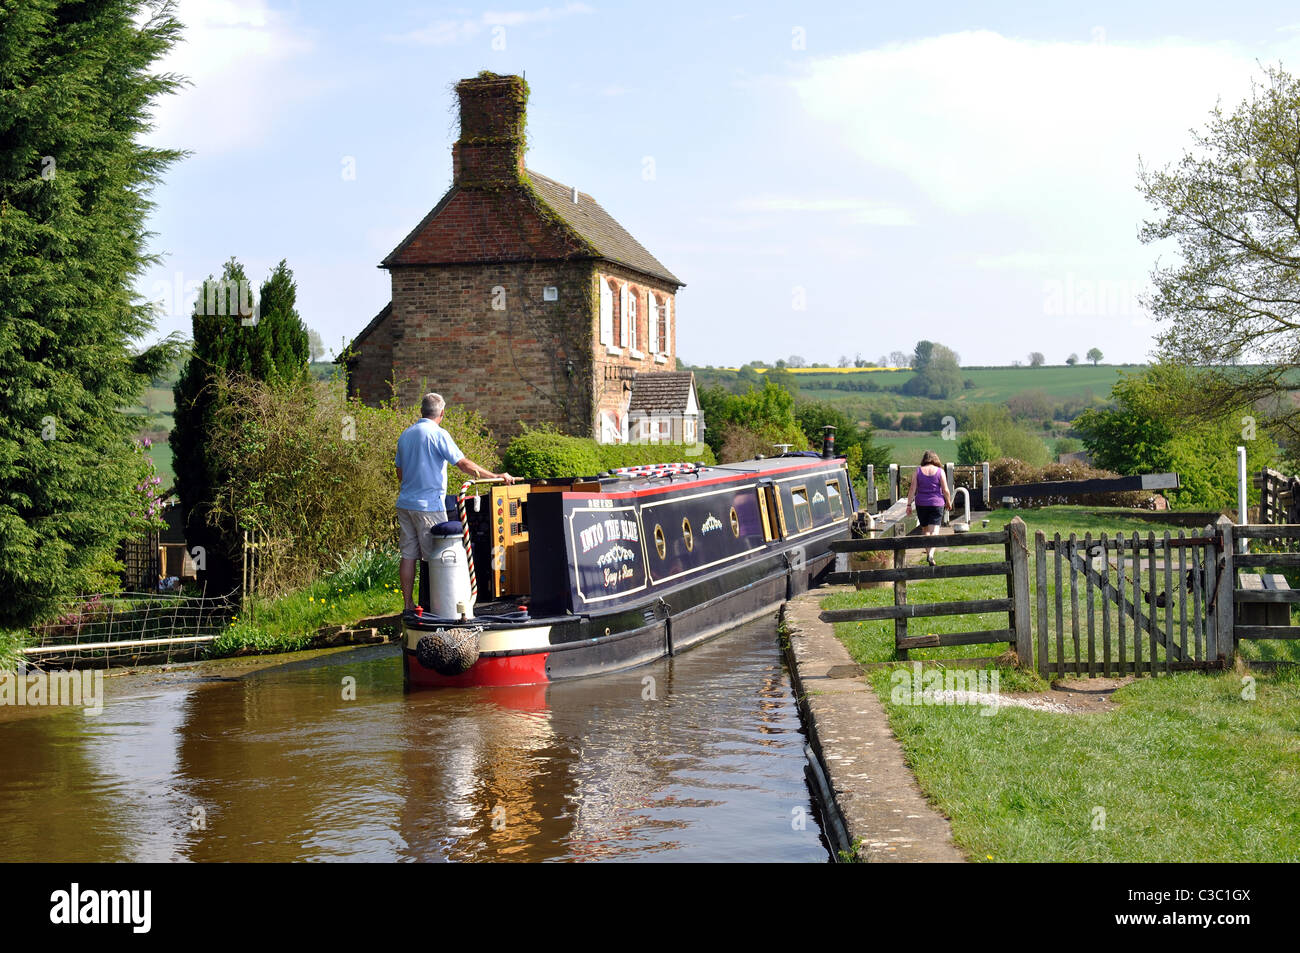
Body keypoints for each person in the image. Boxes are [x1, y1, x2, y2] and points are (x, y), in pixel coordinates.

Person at [396, 393, 515, 615]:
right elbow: (462, 463)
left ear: (422, 411)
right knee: (438, 556)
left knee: (408, 555)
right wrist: (495, 475)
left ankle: (408, 606)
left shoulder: (405, 435)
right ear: (442, 413)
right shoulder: (438, 434)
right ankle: (442, 608)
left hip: (405, 503)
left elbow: (400, 473)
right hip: (429, 505)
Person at [906, 450, 952, 565]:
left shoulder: (917, 471)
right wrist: (949, 501)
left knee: (925, 530)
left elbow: (912, 489)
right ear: (936, 459)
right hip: (937, 503)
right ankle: (931, 554)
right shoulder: (940, 471)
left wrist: (908, 504)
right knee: (934, 530)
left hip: (921, 504)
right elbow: (945, 489)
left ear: (924, 460)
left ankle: (929, 555)